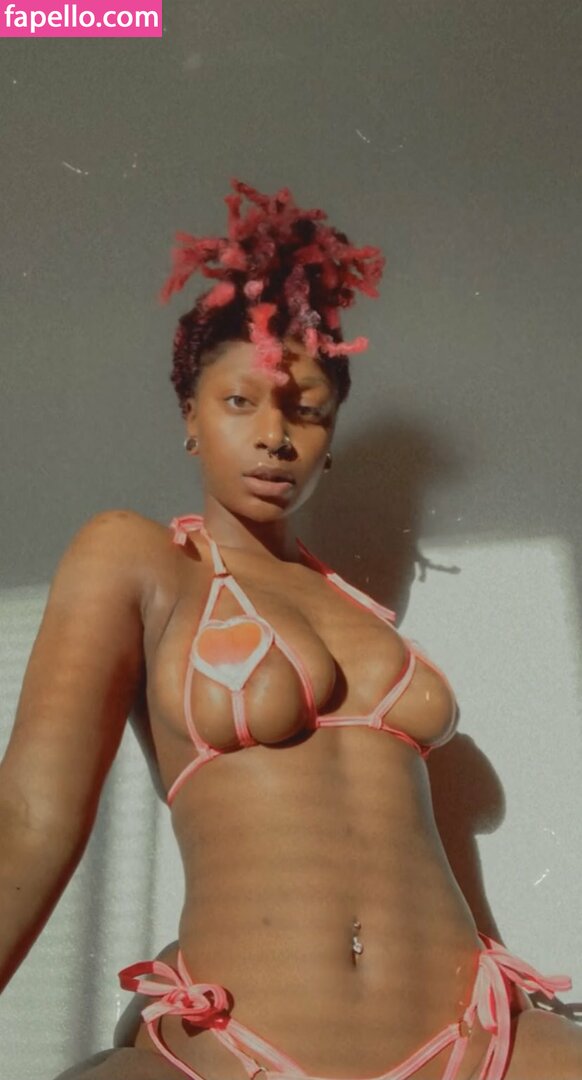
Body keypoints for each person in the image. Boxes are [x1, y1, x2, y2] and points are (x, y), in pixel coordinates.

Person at [1, 179, 581, 1080]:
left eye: (306, 409)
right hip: (245, 1055)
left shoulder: (361, 613)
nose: (275, 435)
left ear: (330, 435)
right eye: (241, 402)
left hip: (471, 1046)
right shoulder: (142, 560)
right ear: (190, 415)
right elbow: (29, 817)